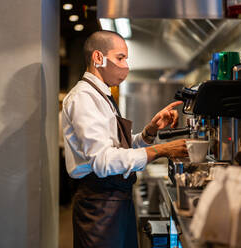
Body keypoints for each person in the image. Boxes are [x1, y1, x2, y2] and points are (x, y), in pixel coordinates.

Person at [62, 30, 188, 248]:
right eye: (120, 58)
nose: (125, 65)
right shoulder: (83, 97)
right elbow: (103, 162)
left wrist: (149, 132)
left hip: (116, 201)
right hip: (99, 205)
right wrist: (162, 150)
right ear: (98, 58)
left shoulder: (102, 95)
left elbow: (116, 147)